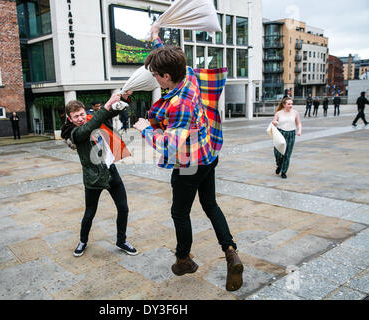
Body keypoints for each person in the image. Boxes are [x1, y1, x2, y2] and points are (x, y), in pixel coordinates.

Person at [132, 24, 243, 292]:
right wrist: (155, 35)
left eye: (157, 76)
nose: (155, 80)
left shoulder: (179, 103)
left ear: (167, 76)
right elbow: (168, 55)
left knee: (179, 212)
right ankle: (230, 252)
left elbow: (169, 146)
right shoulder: (189, 74)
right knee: (210, 204)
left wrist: (144, 128)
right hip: (208, 155)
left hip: (189, 165)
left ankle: (183, 259)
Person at [60, 95, 138, 257]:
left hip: (111, 171)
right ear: (70, 118)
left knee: (123, 208)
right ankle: (83, 241)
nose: (80, 119)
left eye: (82, 114)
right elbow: (90, 127)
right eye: (76, 116)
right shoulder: (75, 133)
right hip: (93, 177)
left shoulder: (91, 119)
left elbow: (107, 114)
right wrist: (107, 103)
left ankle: (121, 240)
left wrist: (123, 98)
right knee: (90, 212)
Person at [271, 97, 302, 179]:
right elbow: (274, 122)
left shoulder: (295, 113)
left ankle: (284, 172)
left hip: (291, 134)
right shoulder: (278, 113)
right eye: (289, 104)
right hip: (280, 133)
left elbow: (298, 123)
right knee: (277, 153)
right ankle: (279, 165)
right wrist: (274, 122)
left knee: (287, 154)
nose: (291, 105)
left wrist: (299, 131)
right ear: (284, 105)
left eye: (291, 104)